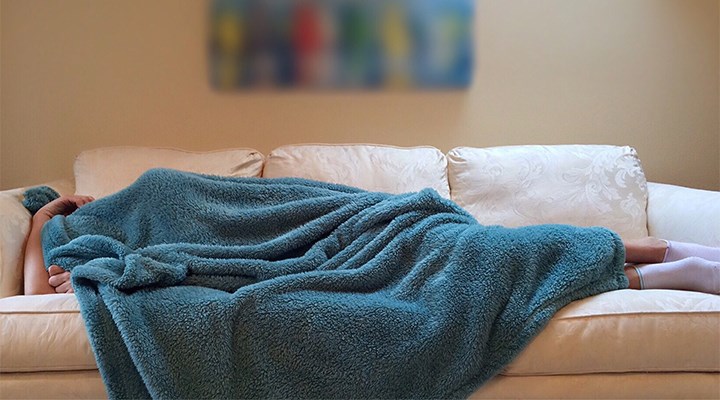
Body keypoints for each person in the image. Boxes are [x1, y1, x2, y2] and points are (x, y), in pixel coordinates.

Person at [23, 195, 720, 295]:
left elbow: (235, 211)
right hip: (352, 260)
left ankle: (675, 255)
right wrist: (41, 216)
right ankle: (677, 271)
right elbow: (21, 299)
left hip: (380, 225)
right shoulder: (67, 247)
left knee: (494, 241)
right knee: (495, 258)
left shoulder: (140, 200)